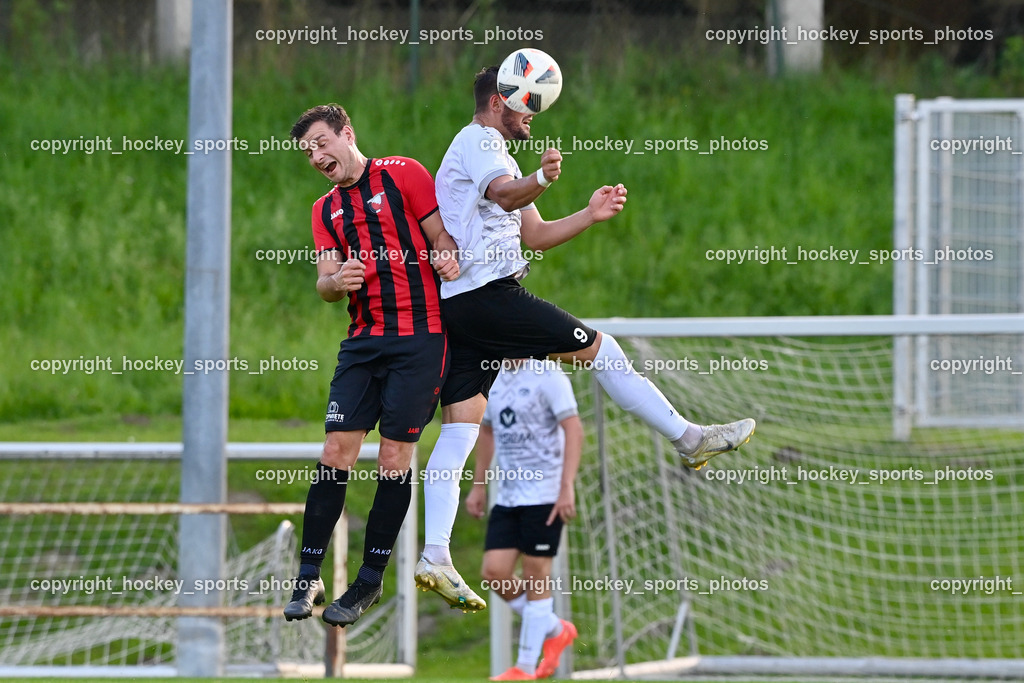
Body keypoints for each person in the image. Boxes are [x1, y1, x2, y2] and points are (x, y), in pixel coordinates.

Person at [413, 67, 756, 610]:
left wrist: (590, 216)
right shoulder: (478, 142)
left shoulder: (498, 156)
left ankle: (434, 554)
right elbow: (505, 197)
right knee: (603, 349)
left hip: (470, 307)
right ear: (500, 101)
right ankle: (689, 439)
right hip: (488, 298)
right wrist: (543, 179)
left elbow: (537, 233)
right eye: (528, 104)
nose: (534, 114)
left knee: (460, 426)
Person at [282, 103, 460, 628]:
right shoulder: (325, 210)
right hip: (362, 342)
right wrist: (335, 284)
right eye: (307, 151)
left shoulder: (403, 173)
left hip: (421, 339)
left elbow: (439, 237)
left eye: (320, 143)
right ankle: (308, 574)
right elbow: (324, 284)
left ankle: (369, 578)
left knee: (394, 456)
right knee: (336, 449)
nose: (315, 156)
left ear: (346, 134)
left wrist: (446, 255)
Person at [465, 358, 581, 681]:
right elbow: (486, 430)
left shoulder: (549, 376)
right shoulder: (493, 374)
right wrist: (478, 486)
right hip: (509, 495)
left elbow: (573, 428)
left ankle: (525, 667)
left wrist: (566, 486)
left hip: (545, 494)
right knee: (494, 572)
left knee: (536, 575)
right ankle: (555, 629)